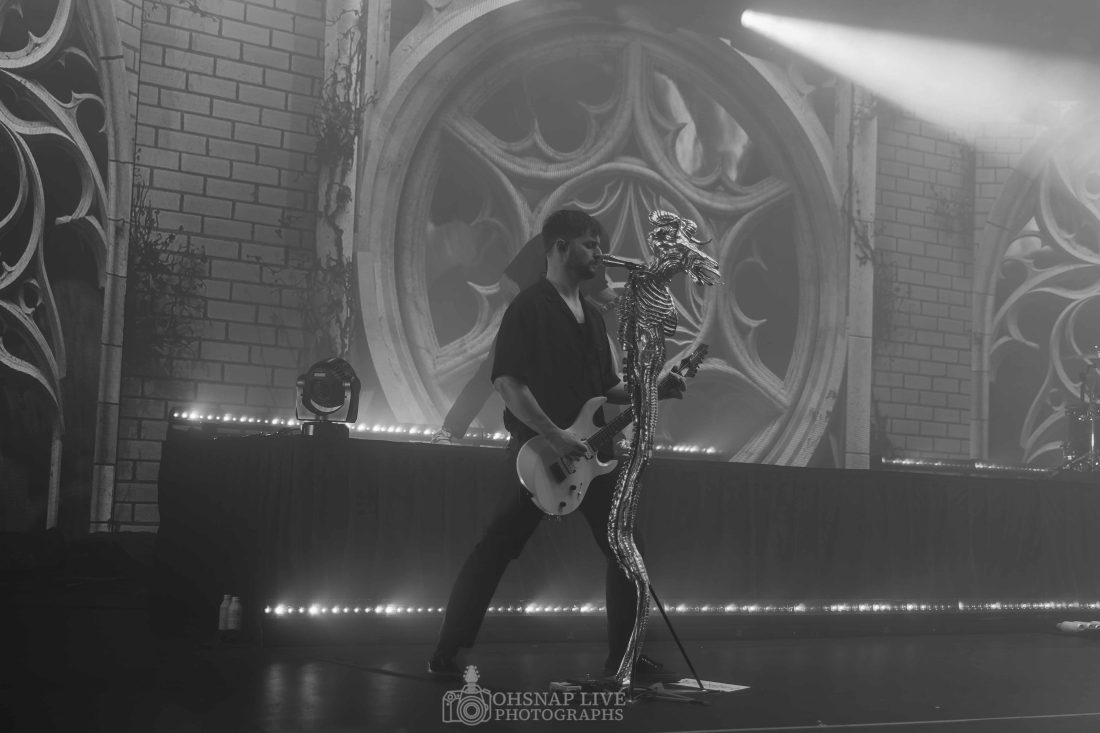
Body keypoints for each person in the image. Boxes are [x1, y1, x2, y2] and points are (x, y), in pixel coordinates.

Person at [427, 209, 685, 682]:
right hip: (538, 454)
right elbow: (507, 382)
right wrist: (554, 435)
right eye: (590, 244)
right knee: (496, 549)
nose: (599, 253)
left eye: (598, 244)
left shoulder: (592, 319)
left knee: (627, 547)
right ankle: (446, 649)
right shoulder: (528, 308)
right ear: (560, 248)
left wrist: (654, 387)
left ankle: (624, 658)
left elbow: (607, 389)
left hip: (589, 455)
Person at [430, 222, 618, 444]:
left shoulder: (595, 251)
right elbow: (507, 283)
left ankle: (612, 439)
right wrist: (527, 314)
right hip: (527, 325)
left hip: (567, 331)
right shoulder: (545, 243)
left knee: (597, 379)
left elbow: (599, 288)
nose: (595, 254)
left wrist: (624, 301)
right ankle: (449, 430)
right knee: (490, 373)